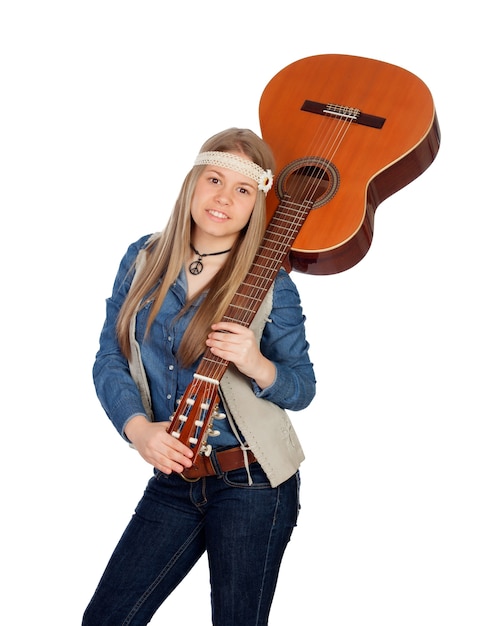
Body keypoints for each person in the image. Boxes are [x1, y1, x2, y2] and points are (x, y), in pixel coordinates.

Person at [82, 128, 316, 626]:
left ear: (257, 204)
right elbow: (110, 356)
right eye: (214, 179)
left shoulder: (271, 280)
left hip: (254, 481)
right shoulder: (143, 257)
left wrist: (256, 362)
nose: (223, 198)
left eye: (243, 190)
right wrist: (138, 428)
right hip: (175, 478)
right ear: (192, 183)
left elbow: (301, 386)